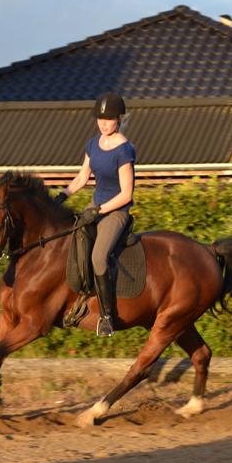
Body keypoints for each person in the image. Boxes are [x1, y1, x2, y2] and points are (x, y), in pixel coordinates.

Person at [53, 92, 136, 336]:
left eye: (109, 118)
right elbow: (82, 177)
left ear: (118, 119)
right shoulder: (93, 143)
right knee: (71, 240)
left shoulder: (124, 150)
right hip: (95, 205)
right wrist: (63, 195)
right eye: (100, 118)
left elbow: (126, 194)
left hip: (115, 211)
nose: (103, 122)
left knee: (99, 257)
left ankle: (108, 317)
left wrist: (99, 211)